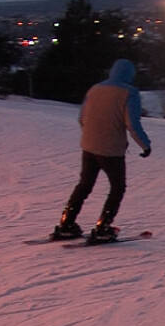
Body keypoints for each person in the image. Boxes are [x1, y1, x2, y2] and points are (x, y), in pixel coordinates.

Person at [54, 59, 152, 242]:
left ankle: (66, 224)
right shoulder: (129, 92)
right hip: (111, 150)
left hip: (89, 146)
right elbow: (132, 124)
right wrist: (145, 145)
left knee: (84, 185)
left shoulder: (95, 89)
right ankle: (103, 227)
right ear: (130, 75)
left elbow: (82, 118)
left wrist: (92, 136)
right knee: (117, 187)